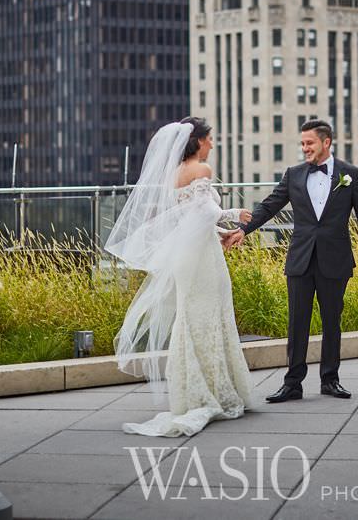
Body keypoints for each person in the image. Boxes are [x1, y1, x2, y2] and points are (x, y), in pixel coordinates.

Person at [224, 119, 358, 403]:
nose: (304, 148)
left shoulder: (350, 174)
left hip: (335, 260)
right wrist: (243, 229)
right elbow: (269, 206)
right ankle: (293, 384)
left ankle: (330, 380)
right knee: (297, 322)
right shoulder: (293, 174)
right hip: (300, 259)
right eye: (302, 143)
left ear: (326, 142)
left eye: (309, 143)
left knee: (332, 321)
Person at [105, 117, 255, 436]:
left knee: (191, 317)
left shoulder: (174, 175)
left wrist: (221, 231)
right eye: (210, 138)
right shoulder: (202, 170)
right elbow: (202, 213)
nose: (212, 144)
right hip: (201, 257)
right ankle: (213, 391)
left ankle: (193, 391)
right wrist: (232, 216)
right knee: (210, 315)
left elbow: (186, 220)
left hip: (191, 253)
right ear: (197, 140)